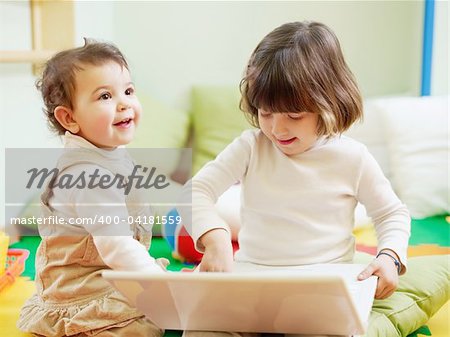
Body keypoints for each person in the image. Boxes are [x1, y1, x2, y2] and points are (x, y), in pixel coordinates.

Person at [185, 21, 410, 337]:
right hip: (250, 280)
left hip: (322, 287)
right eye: (265, 113)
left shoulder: (352, 157)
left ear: (328, 103)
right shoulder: (251, 147)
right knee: (202, 326)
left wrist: (389, 257)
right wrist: (215, 234)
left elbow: (392, 213)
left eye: (293, 116)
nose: (277, 129)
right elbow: (195, 191)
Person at [18, 39, 166, 337]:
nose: (124, 103)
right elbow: (116, 245)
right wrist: (161, 285)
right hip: (82, 291)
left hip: (104, 273)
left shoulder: (107, 153)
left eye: (128, 91)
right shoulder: (88, 176)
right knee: (144, 328)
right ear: (69, 118)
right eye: (105, 96)